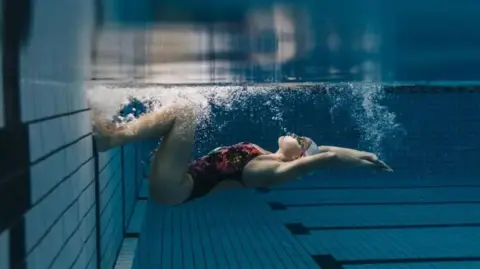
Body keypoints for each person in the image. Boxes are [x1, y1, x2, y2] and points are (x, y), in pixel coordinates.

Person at [92, 99, 393, 206]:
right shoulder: (267, 153)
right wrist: (366, 153)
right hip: (179, 178)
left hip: (175, 188)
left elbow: (325, 158)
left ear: (297, 158)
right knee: (180, 110)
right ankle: (117, 129)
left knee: (184, 111)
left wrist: (365, 167)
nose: (295, 134)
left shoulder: (271, 171)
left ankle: (114, 138)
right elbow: (325, 149)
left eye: (299, 140)